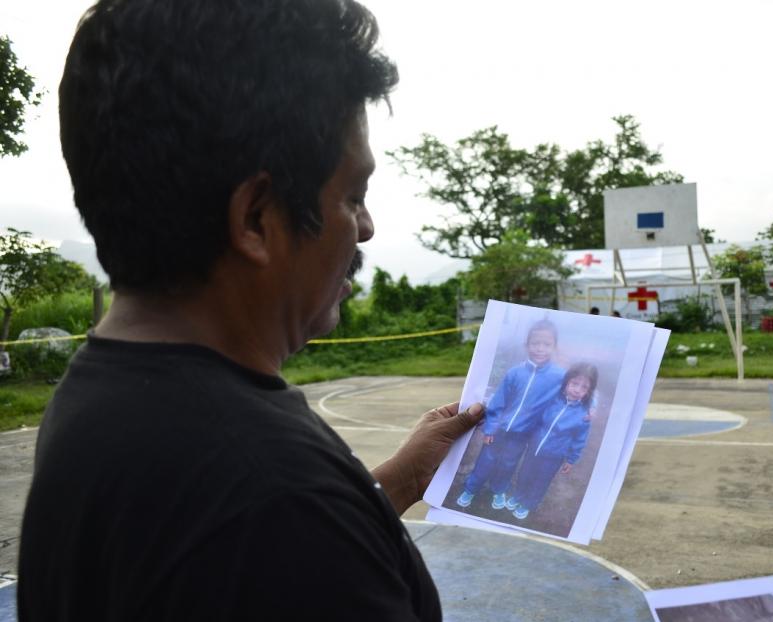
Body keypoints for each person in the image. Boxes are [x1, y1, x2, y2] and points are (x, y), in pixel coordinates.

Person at [17, 0, 484, 620]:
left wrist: (400, 479)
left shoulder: (107, 392)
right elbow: (274, 526)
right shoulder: (275, 499)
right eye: (353, 195)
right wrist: (320, 507)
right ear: (257, 218)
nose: (364, 229)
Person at [456, 320, 565, 510]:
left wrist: (591, 405)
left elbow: (580, 389)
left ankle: (498, 490)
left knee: (508, 464)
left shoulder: (559, 376)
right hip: (498, 430)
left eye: (546, 344)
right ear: (527, 345)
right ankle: (470, 489)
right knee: (485, 461)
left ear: (554, 347)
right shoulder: (514, 373)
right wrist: (490, 427)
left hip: (523, 434)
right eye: (535, 343)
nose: (540, 349)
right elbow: (498, 402)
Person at [505, 363, 598, 520]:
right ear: (567, 382)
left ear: (588, 392)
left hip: (554, 456)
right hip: (534, 447)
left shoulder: (583, 415)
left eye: (584, 388)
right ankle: (518, 496)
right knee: (525, 474)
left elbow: (579, 439)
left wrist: (571, 459)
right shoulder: (552, 399)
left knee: (541, 481)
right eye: (575, 383)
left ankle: (528, 504)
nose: (577, 390)